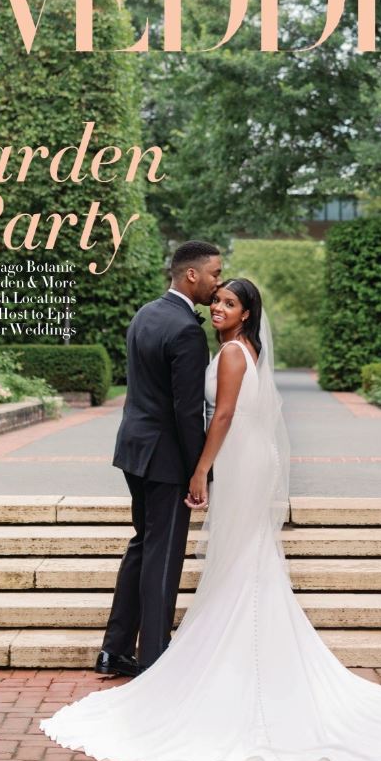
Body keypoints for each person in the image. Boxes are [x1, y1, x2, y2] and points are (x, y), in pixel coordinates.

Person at [41, 278, 381, 761]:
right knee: (242, 555)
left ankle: (240, 658)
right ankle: (250, 655)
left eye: (230, 304)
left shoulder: (232, 355)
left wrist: (200, 469)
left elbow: (224, 414)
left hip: (238, 456)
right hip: (247, 455)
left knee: (241, 555)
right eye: (217, 301)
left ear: (247, 313)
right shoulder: (239, 349)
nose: (218, 308)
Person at [95, 240, 222, 678]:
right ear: (192, 275)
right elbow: (187, 412)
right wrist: (198, 471)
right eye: (214, 274)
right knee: (163, 555)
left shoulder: (146, 313)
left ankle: (114, 650)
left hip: (133, 450)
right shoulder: (187, 330)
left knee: (142, 546)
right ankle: (154, 656)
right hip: (167, 459)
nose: (217, 282)